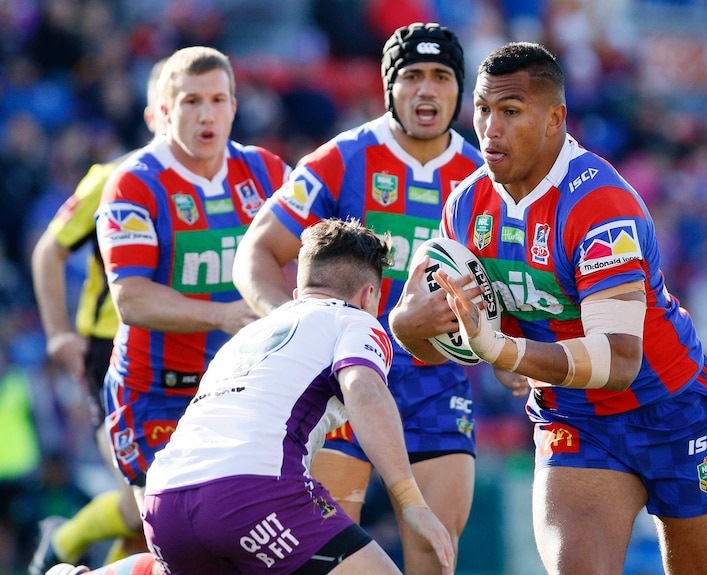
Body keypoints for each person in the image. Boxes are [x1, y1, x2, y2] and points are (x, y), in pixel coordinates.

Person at [392, 42, 707, 575]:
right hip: (574, 416)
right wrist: (407, 326)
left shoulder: (599, 204)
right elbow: (434, 338)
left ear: (556, 118)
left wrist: (506, 351)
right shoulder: (464, 206)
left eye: (510, 112)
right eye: (484, 109)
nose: (490, 129)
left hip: (668, 405)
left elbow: (620, 363)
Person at [45, 217, 454, 575]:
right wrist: (410, 500)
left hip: (164, 501)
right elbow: (363, 389)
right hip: (254, 496)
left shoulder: (249, 334)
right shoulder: (353, 320)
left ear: (298, 292)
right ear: (369, 296)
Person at [233, 23, 482, 575]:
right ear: (390, 87)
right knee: (325, 564)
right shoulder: (343, 158)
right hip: (341, 387)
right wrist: (301, 333)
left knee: (436, 560)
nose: (426, 90)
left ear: (458, 91)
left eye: (441, 77)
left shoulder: (483, 176)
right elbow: (253, 255)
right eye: (412, 76)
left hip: (437, 384)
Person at [93, 46, 289, 513]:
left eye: (218, 100)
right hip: (155, 394)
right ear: (163, 111)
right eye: (190, 101)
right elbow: (131, 300)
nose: (207, 114)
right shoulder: (133, 182)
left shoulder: (266, 171)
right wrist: (221, 316)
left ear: (234, 108)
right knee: (175, 536)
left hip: (239, 392)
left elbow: (310, 257)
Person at [28, 59, 166, 574]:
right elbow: (49, 251)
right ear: (157, 113)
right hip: (110, 355)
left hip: (188, 356)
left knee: (161, 512)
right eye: (184, 102)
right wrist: (58, 332)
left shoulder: (229, 183)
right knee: (145, 503)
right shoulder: (113, 178)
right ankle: (61, 547)